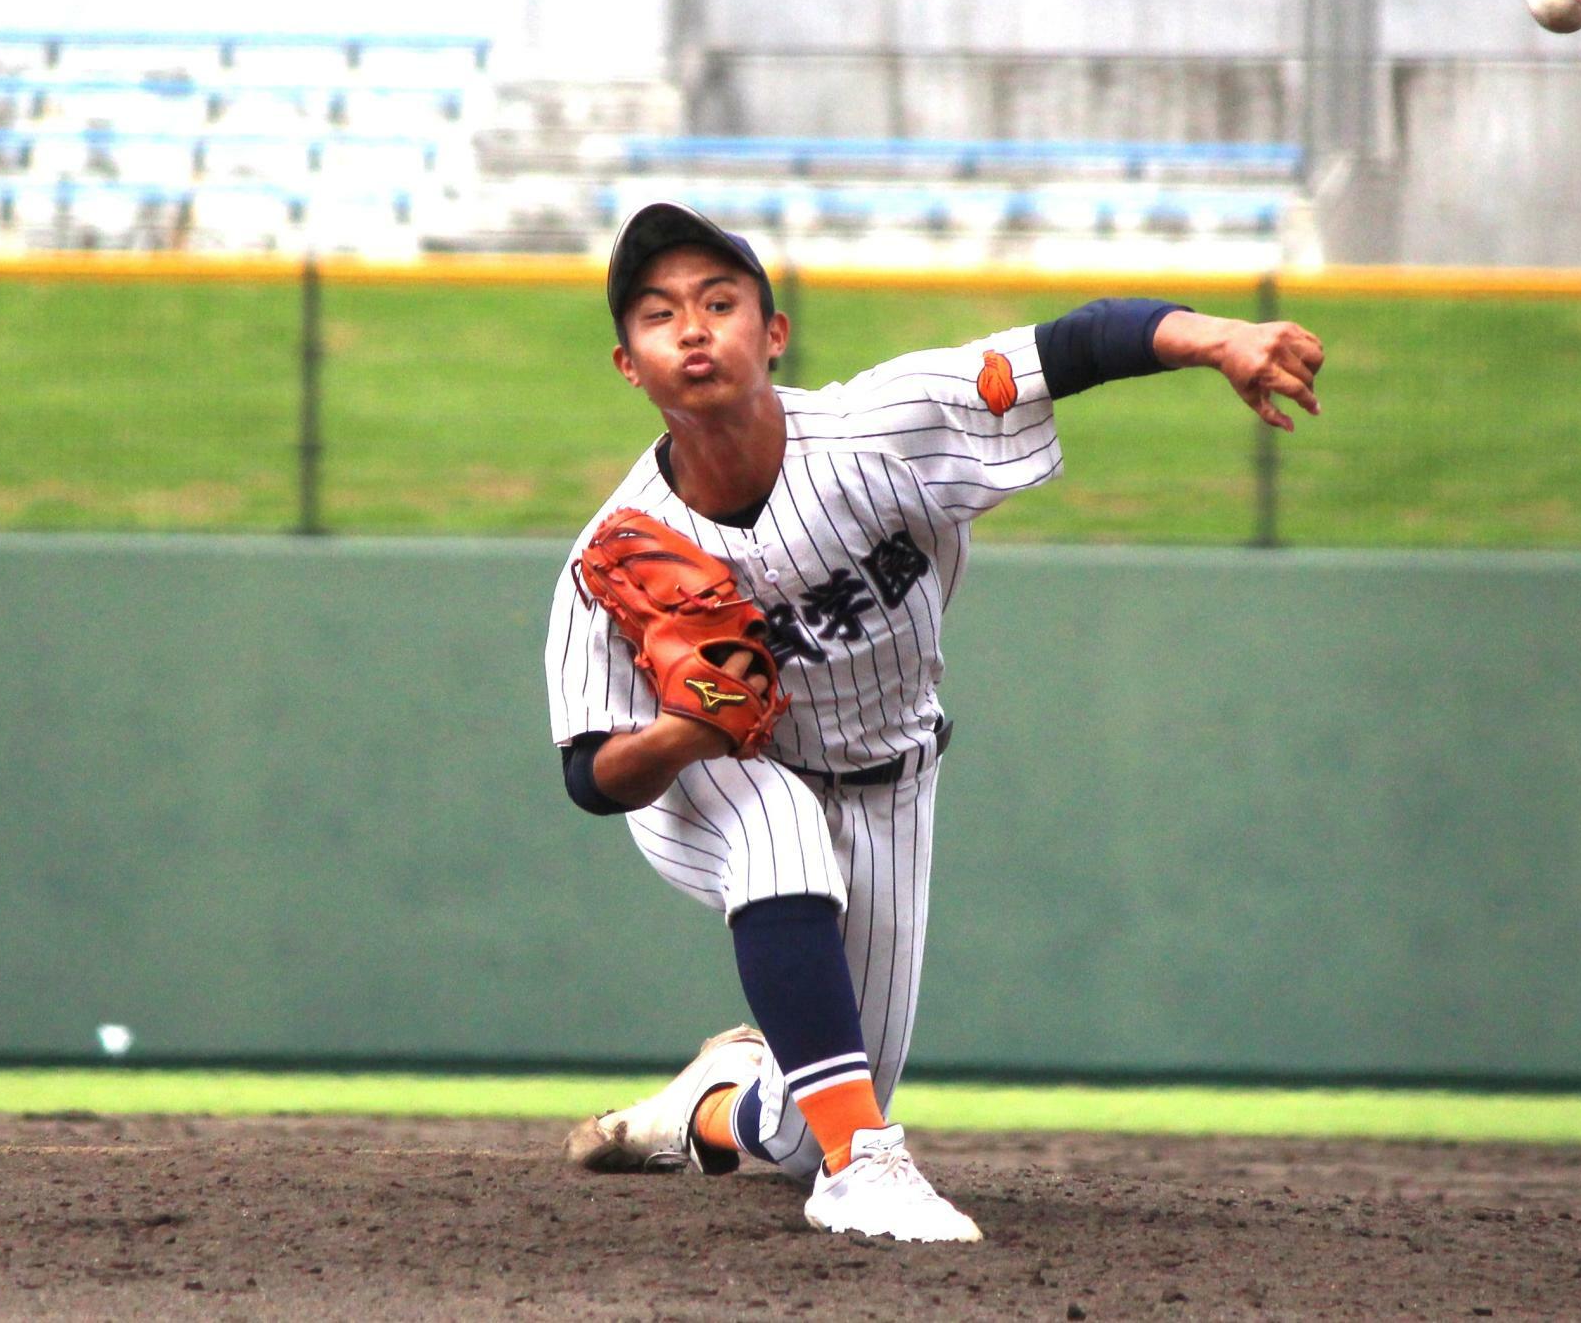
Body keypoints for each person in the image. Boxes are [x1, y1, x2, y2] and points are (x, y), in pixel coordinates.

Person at [548, 201, 1323, 1243]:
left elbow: (1066, 347)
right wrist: (692, 726)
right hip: (716, 781)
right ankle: (866, 1168)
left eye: (719, 302)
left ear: (772, 334)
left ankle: (704, 1106)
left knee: (798, 1125)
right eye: (659, 314)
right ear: (627, 365)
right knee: (780, 832)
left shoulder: (881, 428)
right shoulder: (615, 549)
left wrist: (1217, 339)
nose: (693, 329)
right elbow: (591, 775)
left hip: (889, 777)